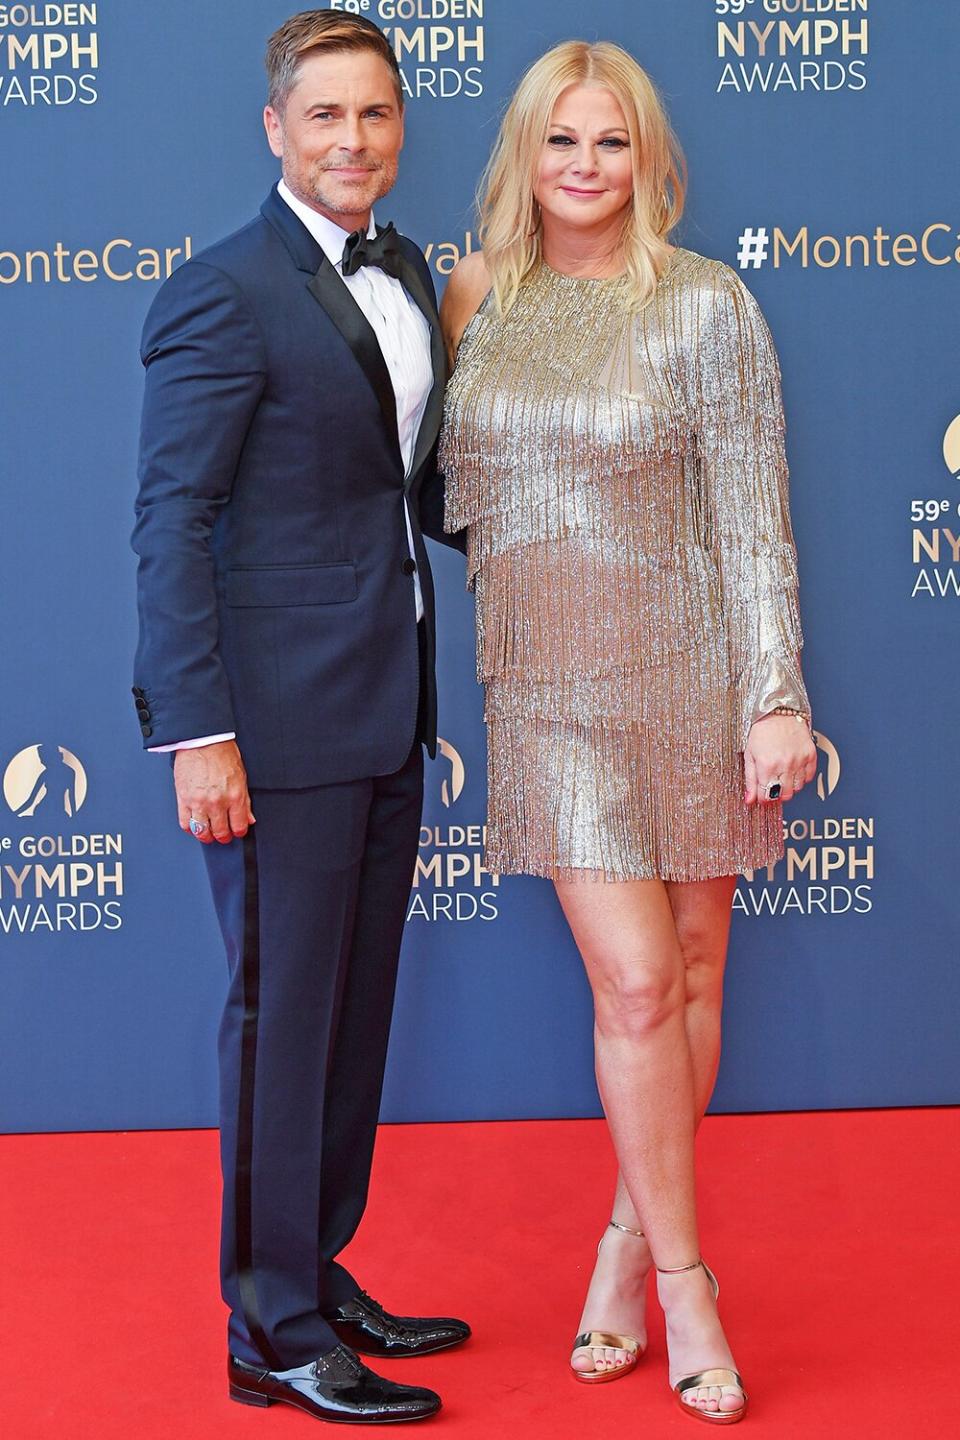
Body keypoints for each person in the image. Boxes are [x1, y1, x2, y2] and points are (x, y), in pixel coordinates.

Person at [440, 40, 817, 1426]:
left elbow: (750, 513)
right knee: (641, 985)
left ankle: (618, 1247)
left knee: (694, 973)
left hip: (693, 674)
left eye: (610, 142)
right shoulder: (475, 294)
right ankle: (687, 1280)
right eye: (560, 141)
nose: (584, 167)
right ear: (523, 157)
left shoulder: (707, 305)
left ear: (646, 156)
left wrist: (774, 693)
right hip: (545, 690)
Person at [132, 10, 468, 1426]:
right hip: (270, 729)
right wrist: (195, 731)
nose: (353, 140)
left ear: (400, 127)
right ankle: (266, 1325)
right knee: (281, 1020)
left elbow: (411, 497)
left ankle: (316, 1271)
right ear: (276, 128)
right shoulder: (223, 291)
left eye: (375, 115)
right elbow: (173, 517)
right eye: (324, 116)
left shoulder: (412, 270)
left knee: (349, 1020)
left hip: (387, 709)